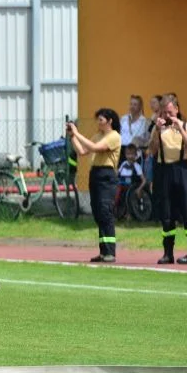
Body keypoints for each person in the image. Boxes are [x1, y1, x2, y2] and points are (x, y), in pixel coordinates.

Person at [147, 96, 187, 264]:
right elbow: (151, 151)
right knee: (166, 214)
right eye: (164, 112)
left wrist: (179, 128)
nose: (167, 115)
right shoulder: (158, 128)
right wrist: (157, 130)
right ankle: (168, 253)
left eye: (170, 112)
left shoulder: (185, 126)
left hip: (181, 169)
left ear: (176, 109)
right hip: (164, 171)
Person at [68, 108, 122, 263]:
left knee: (106, 211)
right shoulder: (98, 135)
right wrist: (73, 137)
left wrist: (78, 133)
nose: (98, 123)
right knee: (98, 212)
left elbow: (96, 148)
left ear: (109, 121)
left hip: (107, 175)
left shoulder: (113, 136)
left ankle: (110, 252)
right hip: (96, 174)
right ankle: (103, 251)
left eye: (101, 120)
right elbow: (83, 151)